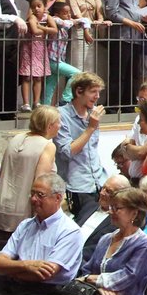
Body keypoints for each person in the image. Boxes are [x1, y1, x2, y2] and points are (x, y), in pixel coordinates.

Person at [0, 106, 60, 243]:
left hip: (0, 208)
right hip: (22, 214)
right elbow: (40, 184)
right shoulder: (47, 146)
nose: (60, 126)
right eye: (58, 122)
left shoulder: (16, 138)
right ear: (50, 126)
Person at [55, 72, 105, 223]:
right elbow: (67, 152)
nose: (97, 97)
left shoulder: (93, 114)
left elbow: (93, 149)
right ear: (78, 91)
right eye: (93, 92)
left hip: (98, 181)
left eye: (99, 92)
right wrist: (90, 128)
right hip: (76, 186)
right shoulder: (60, 116)